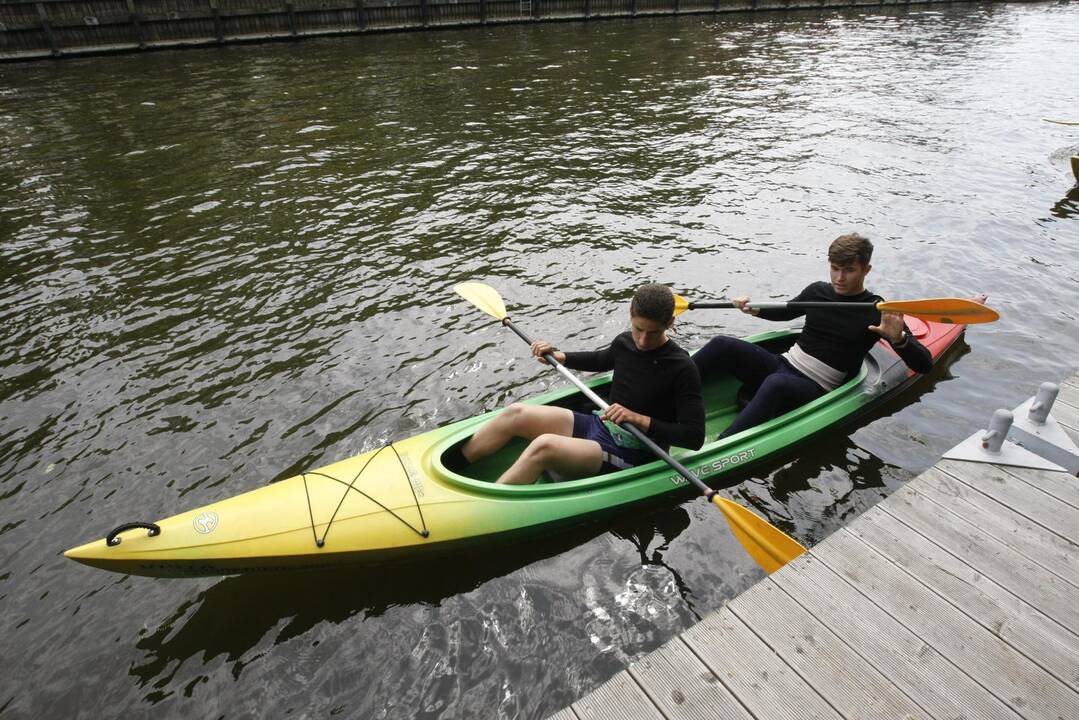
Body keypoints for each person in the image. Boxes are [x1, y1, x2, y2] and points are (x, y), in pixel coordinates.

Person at [694, 233, 941, 440]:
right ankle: (659, 393)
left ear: (866, 270)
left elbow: (924, 364)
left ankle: (721, 444)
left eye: (849, 270)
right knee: (721, 344)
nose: (839, 278)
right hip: (783, 364)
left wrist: (898, 340)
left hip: (816, 387)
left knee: (776, 384)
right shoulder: (818, 291)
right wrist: (752, 307)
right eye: (834, 269)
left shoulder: (876, 310)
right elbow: (785, 311)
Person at [453, 283, 705, 485]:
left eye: (652, 333)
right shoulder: (625, 342)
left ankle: (490, 505)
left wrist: (636, 418)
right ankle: (454, 466)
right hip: (601, 423)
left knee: (543, 446)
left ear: (670, 323)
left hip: (639, 452)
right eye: (639, 329)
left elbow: (694, 437)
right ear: (631, 314)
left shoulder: (682, 367)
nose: (642, 339)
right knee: (515, 413)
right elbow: (602, 359)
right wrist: (560, 356)